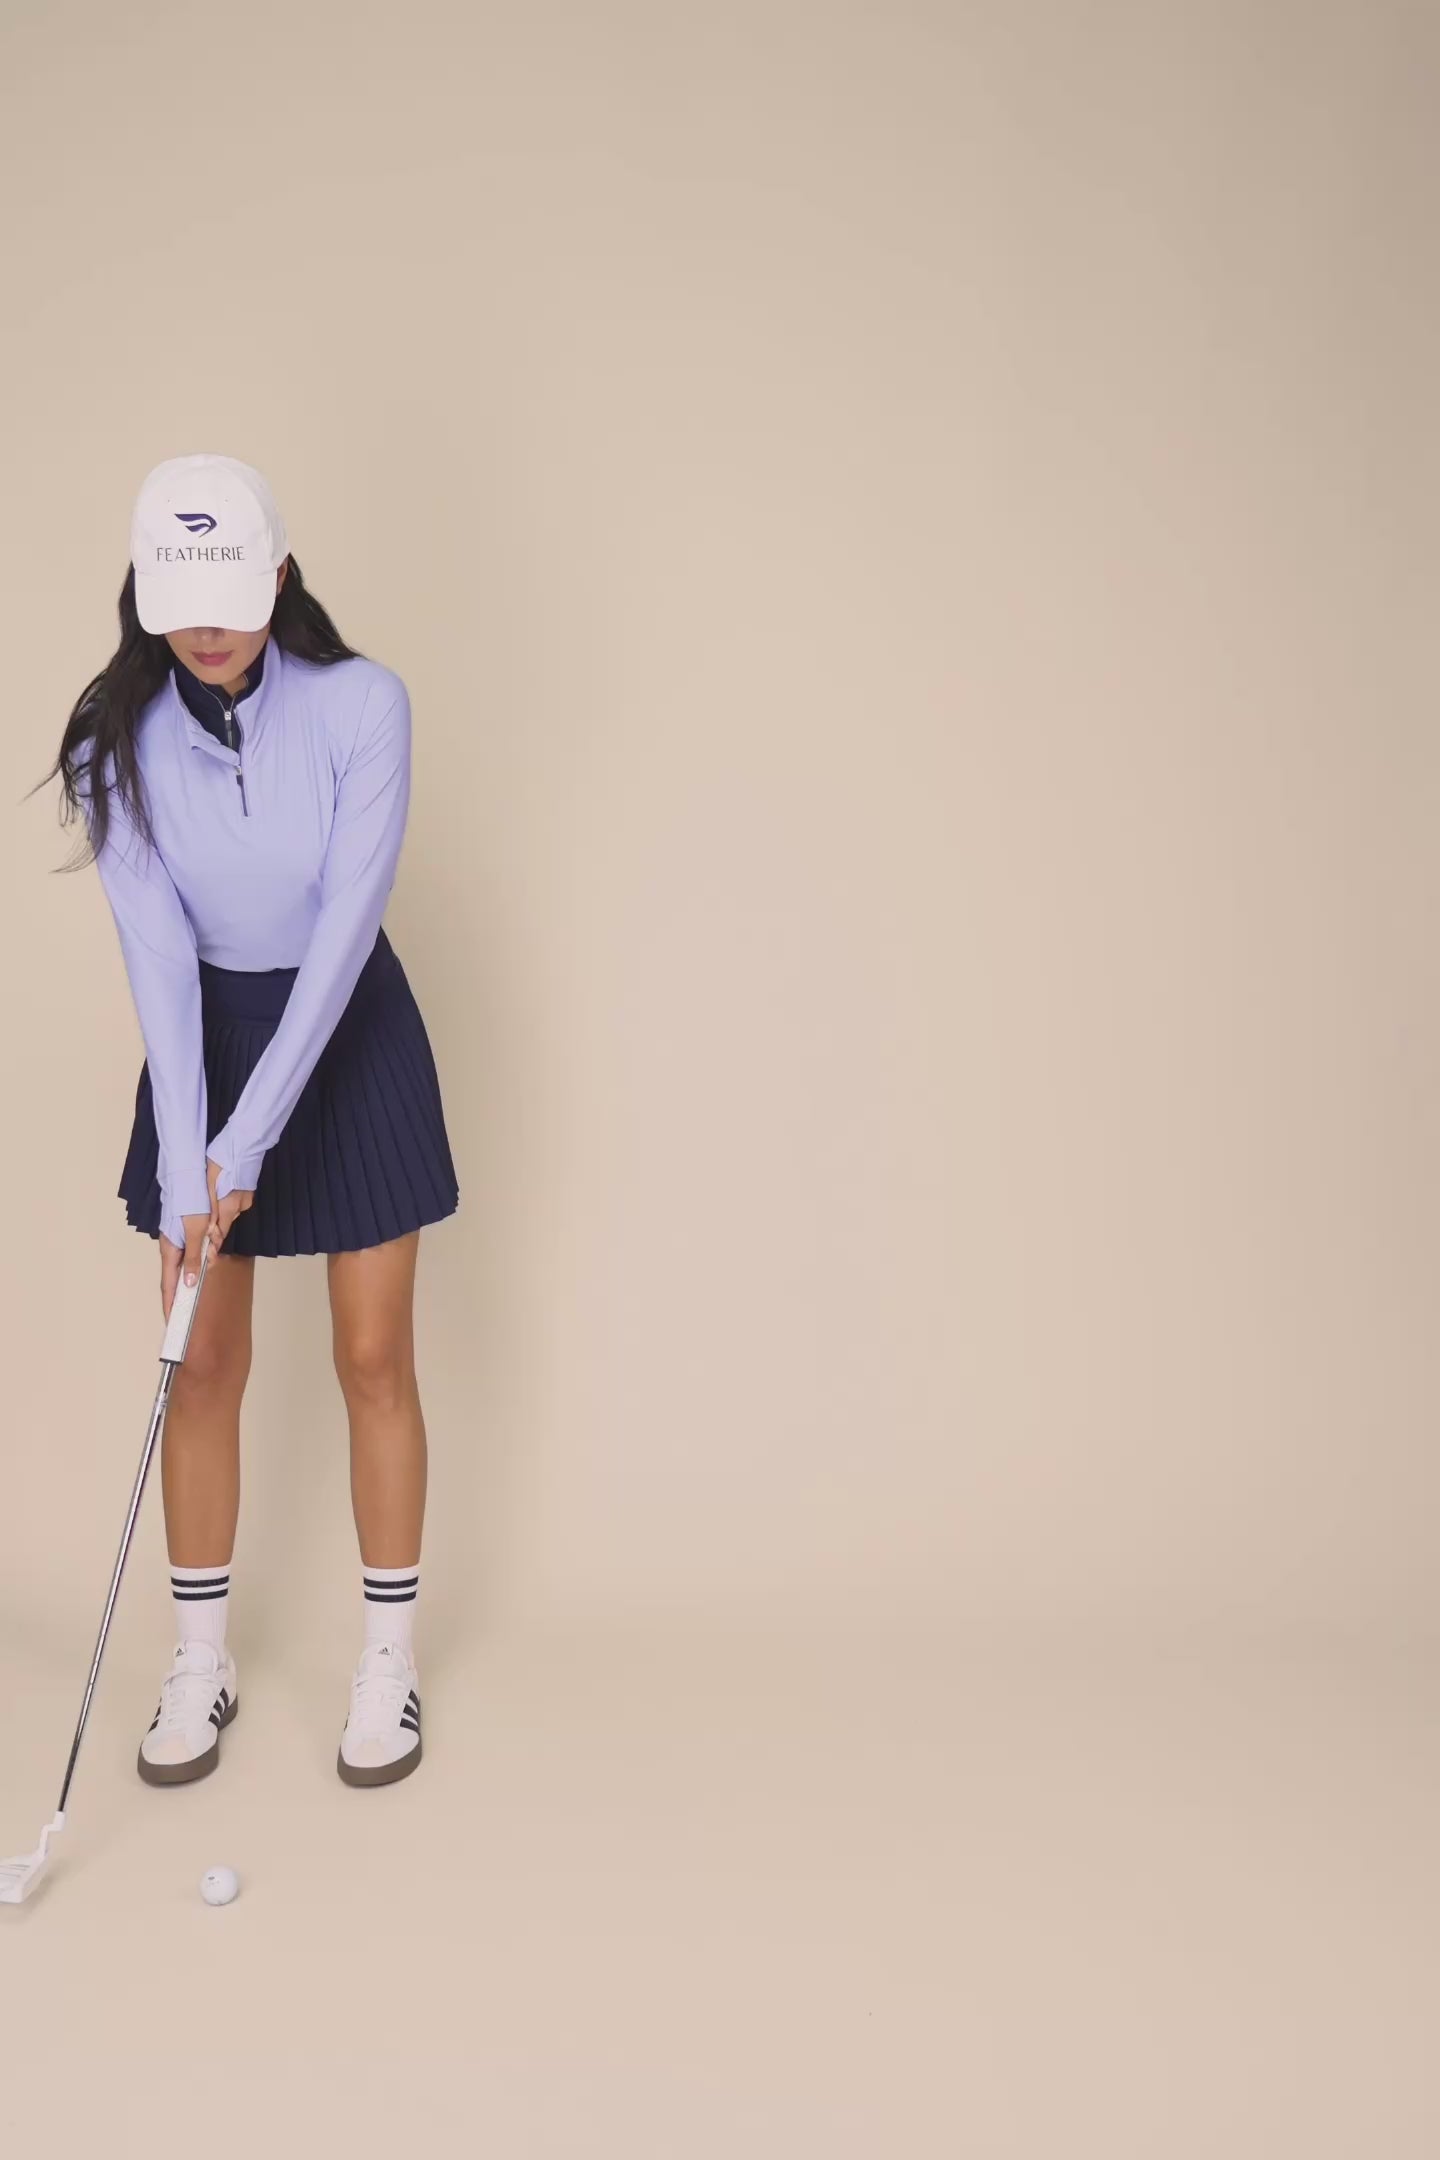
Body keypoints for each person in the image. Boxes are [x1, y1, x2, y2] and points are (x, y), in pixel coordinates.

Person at [48, 453, 458, 1790]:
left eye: (232, 593)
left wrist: (250, 1143)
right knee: (202, 1357)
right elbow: (160, 962)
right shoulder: (114, 743)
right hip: (206, 1045)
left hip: (349, 1036)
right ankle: (199, 1660)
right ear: (145, 591)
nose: (210, 627)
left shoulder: (363, 706)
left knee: (372, 1355)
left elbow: (342, 938)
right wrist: (192, 1166)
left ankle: (387, 1664)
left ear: (277, 576)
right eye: (182, 600)